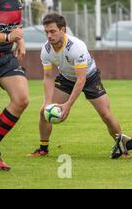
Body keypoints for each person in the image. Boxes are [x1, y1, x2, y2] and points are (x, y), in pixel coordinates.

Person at [27, 13, 123, 157]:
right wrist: (47, 102)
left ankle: (122, 148)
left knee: (106, 115)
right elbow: (47, 77)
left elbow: (81, 79)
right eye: (46, 32)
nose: (49, 36)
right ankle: (43, 149)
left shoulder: (76, 47)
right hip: (66, 78)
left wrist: (68, 105)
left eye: (52, 31)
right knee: (43, 112)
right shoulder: (46, 50)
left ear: (63, 30)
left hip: (89, 77)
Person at [0, 0, 33, 170]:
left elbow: (15, 23)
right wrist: (8, 37)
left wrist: (21, 41)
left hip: (5, 58)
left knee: (22, 99)